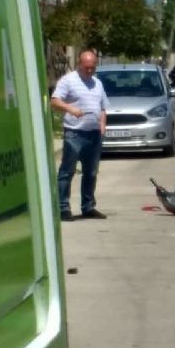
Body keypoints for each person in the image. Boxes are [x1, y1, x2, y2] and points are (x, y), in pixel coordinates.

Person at [51, 50, 109, 221]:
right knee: (67, 172)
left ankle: (88, 206)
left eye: (93, 68)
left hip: (94, 134)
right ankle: (63, 208)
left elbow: (103, 106)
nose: (90, 71)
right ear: (79, 64)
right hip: (75, 133)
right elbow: (54, 101)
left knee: (91, 172)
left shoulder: (97, 83)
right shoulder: (68, 80)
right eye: (87, 68)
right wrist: (70, 109)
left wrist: (103, 125)